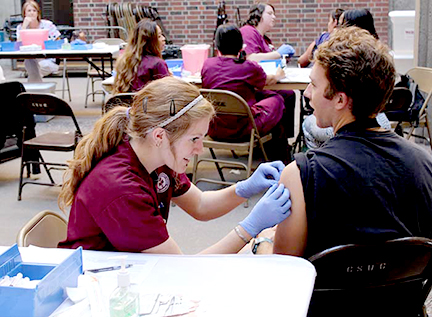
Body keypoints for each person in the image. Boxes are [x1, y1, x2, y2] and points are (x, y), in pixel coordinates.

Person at [58, 76, 292, 254]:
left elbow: (200, 205)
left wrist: (245, 188)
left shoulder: (156, 156)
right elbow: (180, 270)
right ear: (160, 136)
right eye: (194, 139)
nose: (200, 149)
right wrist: (249, 229)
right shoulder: (122, 189)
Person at [267, 27, 432, 258]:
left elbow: (285, 269)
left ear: (340, 100)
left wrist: (260, 241)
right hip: (404, 294)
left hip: (323, 294)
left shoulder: (300, 174)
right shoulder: (425, 164)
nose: (306, 93)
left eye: (314, 85)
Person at [302, 8, 391, 149]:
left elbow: (302, 60)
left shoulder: (299, 170)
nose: (307, 93)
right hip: (376, 122)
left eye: (314, 85)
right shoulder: (420, 161)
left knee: (307, 124)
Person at [201, 24, 290, 163]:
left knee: (254, 96)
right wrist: (278, 75)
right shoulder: (248, 67)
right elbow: (268, 80)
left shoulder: (207, 65)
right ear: (241, 46)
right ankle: (281, 155)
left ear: (217, 47)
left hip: (214, 128)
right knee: (278, 98)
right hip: (243, 130)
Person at [240, 3, 296, 137]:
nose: (274, 17)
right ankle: (278, 140)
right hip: (253, 86)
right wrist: (277, 54)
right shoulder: (248, 31)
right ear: (258, 15)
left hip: (264, 81)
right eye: (270, 14)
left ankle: (282, 139)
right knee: (286, 95)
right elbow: (251, 57)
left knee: (289, 94)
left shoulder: (264, 38)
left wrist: (282, 58)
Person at [113, 19, 168, 94]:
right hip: (148, 104)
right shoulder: (158, 64)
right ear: (150, 41)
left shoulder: (124, 61)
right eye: (159, 36)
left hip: (127, 104)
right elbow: (167, 93)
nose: (163, 39)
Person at [17, 0, 60, 82]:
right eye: (29, 11)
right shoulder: (20, 27)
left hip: (47, 60)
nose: (32, 13)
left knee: (33, 68)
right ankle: (41, 91)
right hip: (30, 58)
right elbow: (17, 45)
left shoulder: (47, 25)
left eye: (34, 10)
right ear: (24, 13)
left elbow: (58, 41)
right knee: (31, 62)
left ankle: (33, 91)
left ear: (38, 13)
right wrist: (24, 27)